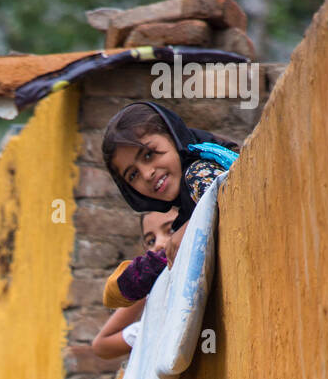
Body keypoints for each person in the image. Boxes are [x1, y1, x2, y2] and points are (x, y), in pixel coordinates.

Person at [101, 102, 239, 268]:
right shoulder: (184, 212)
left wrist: (192, 229)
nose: (147, 174)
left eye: (148, 155)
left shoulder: (199, 173)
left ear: (174, 137)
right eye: (133, 175)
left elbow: (233, 206)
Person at [92, 207, 179, 359]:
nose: (158, 245)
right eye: (150, 241)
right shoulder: (158, 324)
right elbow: (102, 345)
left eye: (170, 229)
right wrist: (147, 285)